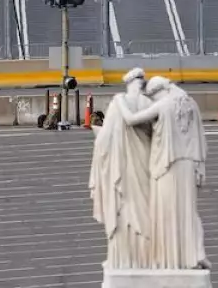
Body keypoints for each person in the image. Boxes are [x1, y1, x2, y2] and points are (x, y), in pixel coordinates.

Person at [114, 76, 209, 270]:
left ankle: (170, 258)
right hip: (188, 164)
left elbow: (131, 119)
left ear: (159, 91)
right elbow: (200, 138)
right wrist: (200, 167)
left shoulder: (164, 105)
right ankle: (196, 253)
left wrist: (119, 101)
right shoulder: (191, 103)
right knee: (189, 212)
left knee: (167, 211)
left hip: (167, 166)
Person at [89, 68, 154, 269]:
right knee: (143, 207)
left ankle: (123, 256)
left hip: (122, 163)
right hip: (144, 160)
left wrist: (97, 134)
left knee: (122, 208)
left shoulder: (118, 103)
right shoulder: (149, 104)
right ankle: (145, 255)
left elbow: (105, 137)